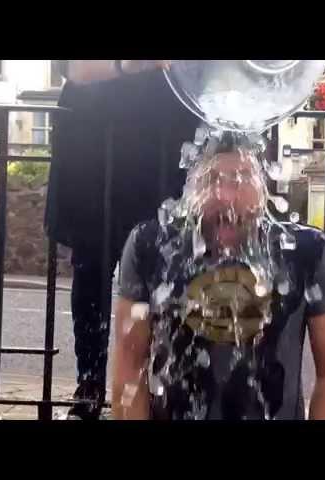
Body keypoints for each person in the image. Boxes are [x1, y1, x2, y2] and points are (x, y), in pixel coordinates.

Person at [111, 137, 325, 420]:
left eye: (241, 178)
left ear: (264, 186)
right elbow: (129, 365)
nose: (226, 196)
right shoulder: (152, 247)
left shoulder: (306, 252)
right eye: (211, 179)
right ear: (191, 185)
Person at [45, 60, 201, 420]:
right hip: (95, 145)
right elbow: (69, 66)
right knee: (92, 267)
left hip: (169, 143)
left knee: (173, 271)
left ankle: (165, 385)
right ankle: (90, 388)